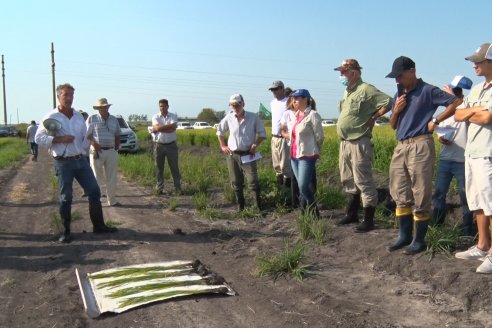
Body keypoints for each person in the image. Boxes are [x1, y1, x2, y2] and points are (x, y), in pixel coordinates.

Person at [385, 56, 462, 255]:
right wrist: (397, 110)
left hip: (420, 144)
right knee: (399, 190)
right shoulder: (399, 94)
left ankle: (419, 240)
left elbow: (455, 101)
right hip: (401, 145)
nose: (397, 80)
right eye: (395, 77)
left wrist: (435, 120)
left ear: (412, 71)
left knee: (420, 191)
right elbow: (393, 124)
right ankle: (404, 235)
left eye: (400, 75)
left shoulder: (427, 90)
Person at [34, 83, 117, 243]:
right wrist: (59, 139)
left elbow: (83, 139)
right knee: (66, 197)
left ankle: (99, 226)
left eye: (72, 95)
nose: (69, 98)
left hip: (80, 160)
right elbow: (38, 138)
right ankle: (66, 232)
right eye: (66, 95)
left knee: (94, 191)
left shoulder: (79, 116)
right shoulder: (51, 117)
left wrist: (89, 141)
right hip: (63, 163)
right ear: (59, 96)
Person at [334, 59, 393, 232]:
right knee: (347, 178)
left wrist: (374, 117)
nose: (341, 75)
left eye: (343, 72)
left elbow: (388, 102)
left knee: (363, 180)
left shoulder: (366, 89)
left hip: (359, 141)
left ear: (354, 72)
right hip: (345, 142)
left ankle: (369, 220)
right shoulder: (348, 92)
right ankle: (352, 213)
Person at [453, 43, 492, 273]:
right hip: (473, 153)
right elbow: (458, 114)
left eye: (479, 61)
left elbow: (487, 118)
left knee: (491, 203)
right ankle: (482, 244)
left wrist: (473, 113)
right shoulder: (477, 89)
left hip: (488, 153)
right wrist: (472, 112)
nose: (474, 64)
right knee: (477, 201)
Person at [431, 76, 475, 236]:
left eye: (455, 94)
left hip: (463, 161)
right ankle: (436, 225)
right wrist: (441, 138)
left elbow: (463, 108)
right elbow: (439, 131)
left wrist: (454, 99)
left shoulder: (465, 112)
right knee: (439, 194)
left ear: (461, 97)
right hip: (445, 160)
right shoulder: (445, 114)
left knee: (465, 196)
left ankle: (468, 231)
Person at [216, 94, 266, 211]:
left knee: (252, 180)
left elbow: (262, 134)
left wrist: (255, 144)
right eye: (233, 105)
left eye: (237, 105)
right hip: (232, 154)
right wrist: (223, 145)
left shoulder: (253, 117)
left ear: (243, 104)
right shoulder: (228, 118)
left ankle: (258, 206)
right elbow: (219, 131)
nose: (235, 107)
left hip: (248, 154)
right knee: (236, 181)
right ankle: (241, 206)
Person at [288, 89, 324, 217]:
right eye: (293, 98)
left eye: (297, 98)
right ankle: (311, 212)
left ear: (306, 99)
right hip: (293, 155)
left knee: (303, 186)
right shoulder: (295, 116)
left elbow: (319, 137)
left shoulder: (313, 115)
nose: (294, 101)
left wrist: (314, 151)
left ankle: (313, 209)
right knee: (300, 185)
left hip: (307, 155)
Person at [86, 98, 121, 206]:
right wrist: (93, 144)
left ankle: (112, 200)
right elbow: (87, 135)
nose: (104, 108)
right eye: (101, 107)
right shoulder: (92, 118)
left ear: (108, 107)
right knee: (96, 177)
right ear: (98, 108)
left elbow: (117, 134)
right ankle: (97, 200)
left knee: (112, 177)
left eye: (105, 106)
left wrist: (116, 149)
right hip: (96, 151)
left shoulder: (114, 119)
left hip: (110, 151)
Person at [151, 99, 181, 195]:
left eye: (164, 106)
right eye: (160, 106)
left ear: (168, 106)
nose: (162, 108)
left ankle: (178, 188)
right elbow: (169, 128)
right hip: (158, 145)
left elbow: (171, 128)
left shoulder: (173, 116)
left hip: (171, 145)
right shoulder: (155, 116)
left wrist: (159, 129)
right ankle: (159, 188)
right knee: (159, 168)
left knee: (174, 167)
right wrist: (168, 127)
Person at [268, 80, 291, 188]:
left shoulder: (289, 102)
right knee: (276, 166)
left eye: (276, 89)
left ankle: (289, 193)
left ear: (282, 88)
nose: (274, 92)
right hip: (274, 137)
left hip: (284, 138)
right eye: (272, 90)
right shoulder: (272, 103)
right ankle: (280, 190)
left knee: (285, 166)